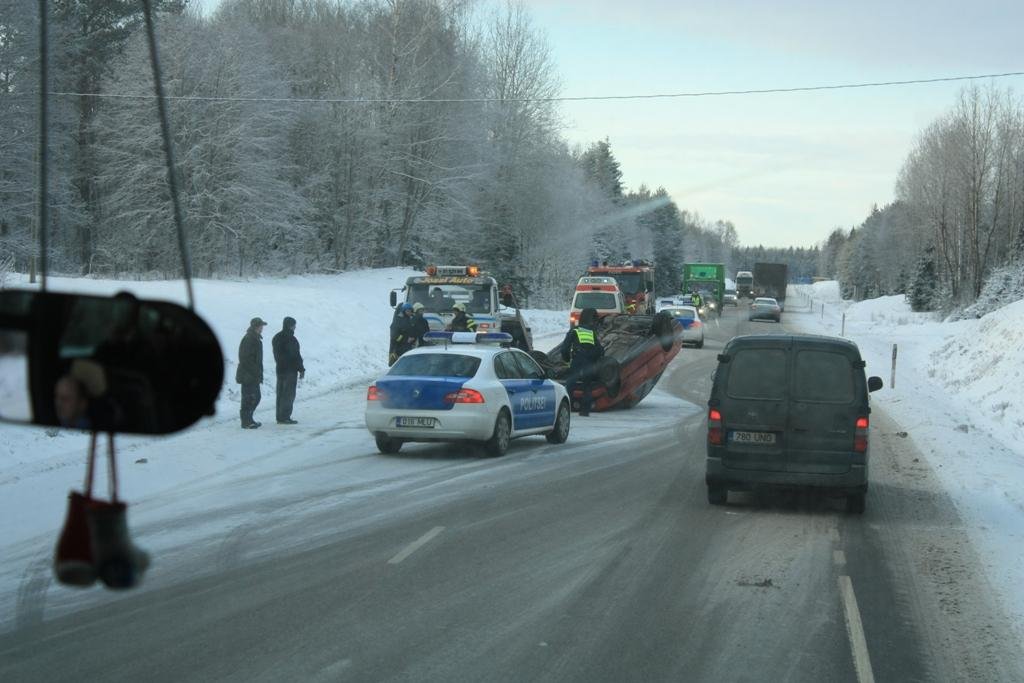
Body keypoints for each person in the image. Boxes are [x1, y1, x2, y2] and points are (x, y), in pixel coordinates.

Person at [560, 307, 605, 416]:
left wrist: (566, 359)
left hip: (577, 360)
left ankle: (566, 409)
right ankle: (585, 411)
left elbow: (564, 348)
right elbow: (600, 350)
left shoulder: (574, 330)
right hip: (589, 362)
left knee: (570, 384)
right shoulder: (591, 333)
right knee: (587, 386)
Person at [272, 316, 305, 425]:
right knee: (289, 394)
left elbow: (277, 355)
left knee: (280, 393)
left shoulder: (276, 337)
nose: (295, 327)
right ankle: (285, 417)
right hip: (290, 370)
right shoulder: (291, 339)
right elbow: (295, 355)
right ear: (290, 326)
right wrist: (301, 369)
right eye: (294, 325)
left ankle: (279, 416)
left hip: (280, 369)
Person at [237, 317, 266, 429]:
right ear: (256, 327)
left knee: (255, 397)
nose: (262, 328)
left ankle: (249, 419)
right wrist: (255, 371)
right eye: (261, 326)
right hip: (247, 375)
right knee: (249, 398)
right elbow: (245, 358)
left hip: (253, 374)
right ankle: (246, 421)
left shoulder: (255, 338)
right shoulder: (249, 339)